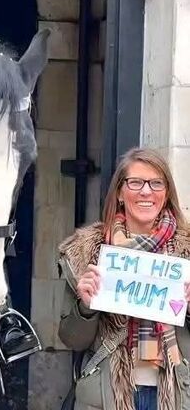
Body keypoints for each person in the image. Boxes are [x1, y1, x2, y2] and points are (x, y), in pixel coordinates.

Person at [58, 147, 190, 410]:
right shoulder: (88, 253)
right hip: (106, 395)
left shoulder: (186, 252)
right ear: (119, 192)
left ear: (166, 193)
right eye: (135, 182)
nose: (146, 191)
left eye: (156, 183)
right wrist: (86, 307)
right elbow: (71, 340)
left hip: (176, 394)